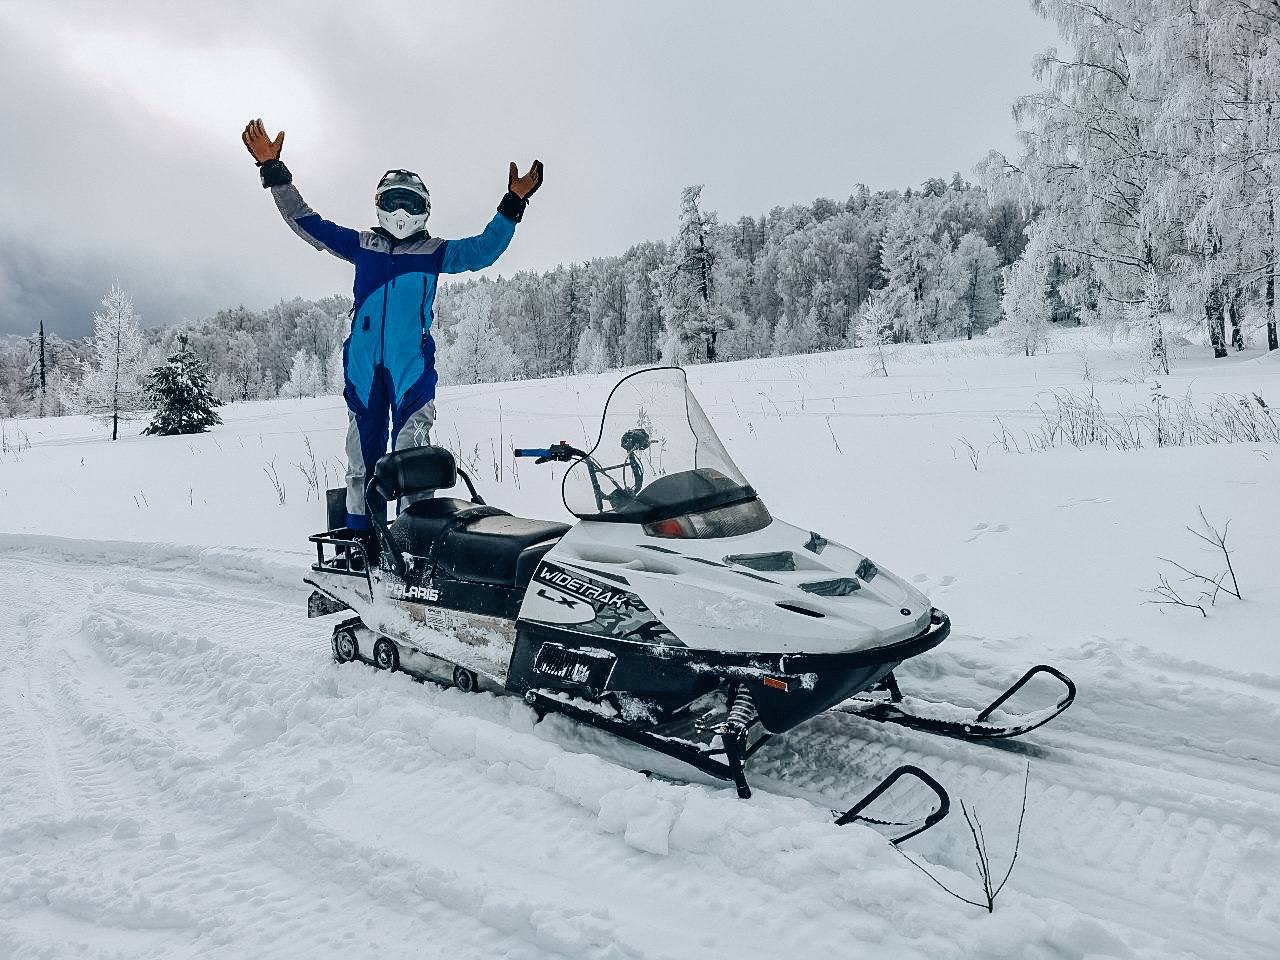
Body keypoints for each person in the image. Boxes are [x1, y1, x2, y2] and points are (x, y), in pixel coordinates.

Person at [241, 118, 543, 532]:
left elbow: (483, 250)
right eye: (394, 202)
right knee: (361, 463)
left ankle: (413, 542)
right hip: (363, 368)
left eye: (410, 204)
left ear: (424, 210)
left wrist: (512, 202)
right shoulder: (362, 245)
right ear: (380, 205)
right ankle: (361, 544)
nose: (401, 212)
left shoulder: (434, 251)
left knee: (411, 459)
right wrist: (274, 171)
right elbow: (306, 221)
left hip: (410, 369)